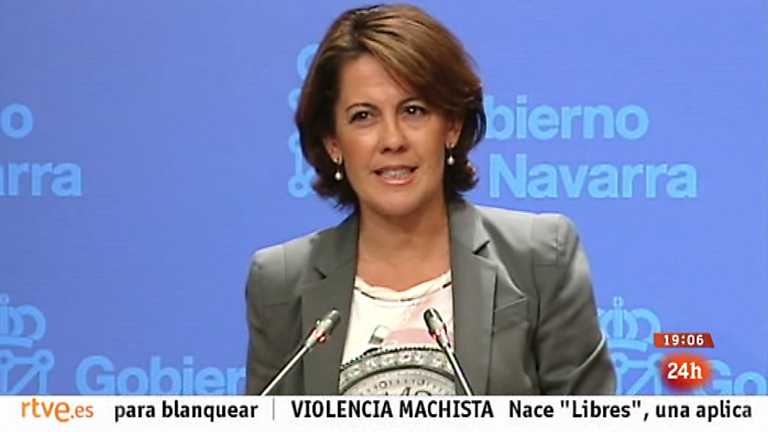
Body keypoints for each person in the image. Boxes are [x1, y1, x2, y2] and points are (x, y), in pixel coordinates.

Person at [245, 4, 615, 395]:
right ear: (333, 142)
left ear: (452, 126)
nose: (392, 140)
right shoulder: (281, 282)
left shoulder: (539, 258)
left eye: (413, 111)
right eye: (364, 116)